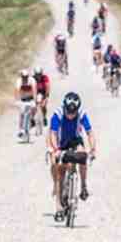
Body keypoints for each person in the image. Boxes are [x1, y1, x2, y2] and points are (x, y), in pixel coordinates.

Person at [48, 92, 96, 220]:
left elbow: (90, 133)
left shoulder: (82, 114)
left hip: (75, 140)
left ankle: (83, 186)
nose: (70, 115)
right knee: (58, 170)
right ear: (64, 107)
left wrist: (92, 150)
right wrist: (55, 149)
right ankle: (58, 205)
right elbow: (52, 134)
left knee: (82, 155)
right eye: (68, 112)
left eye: (73, 113)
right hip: (60, 142)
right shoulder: (57, 114)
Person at [14, 69, 38, 139]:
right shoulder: (19, 81)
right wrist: (17, 100)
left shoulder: (32, 80)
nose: (25, 78)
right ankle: (21, 129)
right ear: (21, 76)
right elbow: (17, 90)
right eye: (23, 77)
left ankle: (32, 119)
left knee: (34, 108)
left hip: (30, 98)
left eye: (26, 77)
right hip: (23, 99)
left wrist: (35, 100)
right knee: (21, 113)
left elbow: (34, 90)